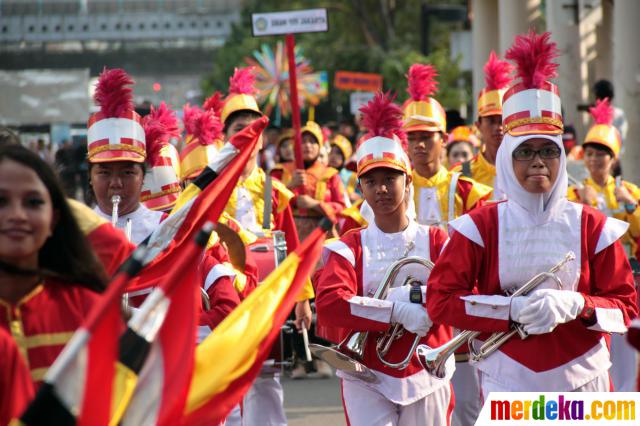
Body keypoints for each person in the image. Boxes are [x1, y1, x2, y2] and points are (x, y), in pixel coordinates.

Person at [426, 31, 638, 396]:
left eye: (548, 151)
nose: (538, 162)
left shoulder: (593, 224)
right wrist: (509, 310)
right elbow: (440, 299)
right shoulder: (480, 225)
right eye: (525, 152)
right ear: (508, 158)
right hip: (506, 379)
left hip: (585, 379)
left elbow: (625, 307)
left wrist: (578, 305)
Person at [315, 93, 454, 426]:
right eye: (370, 181)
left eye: (390, 179)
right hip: (365, 374)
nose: (381, 189)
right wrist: (395, 309)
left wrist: (423, 303)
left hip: (426, 372)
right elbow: (331, 304)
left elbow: (458, 293)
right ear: (360, 188)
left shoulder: (437, 240)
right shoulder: (348, 247)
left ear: (408, 181)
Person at [220, 67, 313, 426]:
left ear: (262, 139)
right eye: (236, 129)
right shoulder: (208, 186)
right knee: (225, 384)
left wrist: (302, 298)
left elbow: (292, 248)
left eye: (253, 129)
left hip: (264, 300)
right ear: (226, 136)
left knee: (266, 382)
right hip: (222, 300)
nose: (245, 136)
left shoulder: (276, 191)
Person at [0, 144, 108, 388]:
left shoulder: (91, 310)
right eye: (1, 201)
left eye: (33, 202)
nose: (17, 214)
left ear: (54, 219)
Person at [567, 97, 640, 391]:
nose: (596, 159)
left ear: (614, 159)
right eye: (591, 153)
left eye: (603, 154)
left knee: (625, 351)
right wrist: (582, 204)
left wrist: (632, 207)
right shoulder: (575, 193)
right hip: (591, 281)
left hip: (628, 280)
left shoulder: (630, 191)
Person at [402, 63, 492, 230]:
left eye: (426, 137)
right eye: (412, 138)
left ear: (443, 139)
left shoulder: (466, 191)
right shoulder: (398, 190)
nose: (419, 144)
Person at [87, 68, 162, 244]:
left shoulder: (165, 229)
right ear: (90, 177)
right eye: (104, 173)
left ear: (143, 176)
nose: (116, 183)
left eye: (127, 173)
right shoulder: (75, 232)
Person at [271, 120, 347, 241]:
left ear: (319, 147)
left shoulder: (331, 175)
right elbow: (268, 205)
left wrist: (315, 204)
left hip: (321, 234)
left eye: (312, 142)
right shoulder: (280, 172)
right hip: (289, 234)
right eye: (303, 141)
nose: (308, 145)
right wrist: (289, 187)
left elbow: (342, 208)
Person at [451, 51, 513, 197]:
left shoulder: (524, 170)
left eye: (502, 121)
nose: (498, 127)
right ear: (478, 126)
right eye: (491, 121)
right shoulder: (460, 175)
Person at [328, 133, 360, 204]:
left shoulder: (353, 177)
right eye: (331, 152)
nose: (333, 156)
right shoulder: (323, 174)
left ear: (344, 157)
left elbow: (364, 199)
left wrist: (357, 198)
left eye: (338, 153)